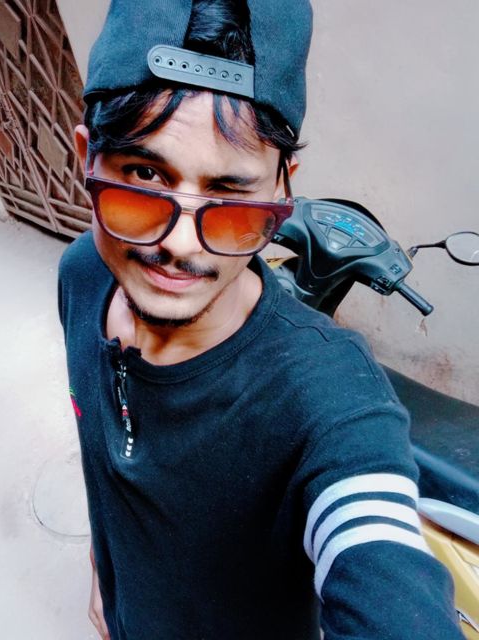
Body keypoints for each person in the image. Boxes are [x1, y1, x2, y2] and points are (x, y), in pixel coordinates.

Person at [57, 1, 464, 638]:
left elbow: (382, 567)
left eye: (229, 192)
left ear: (281, 188)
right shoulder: (83, 273)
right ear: (88, 158)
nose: (180, 244)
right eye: (143, 174)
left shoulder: (329, 398)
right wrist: (102, 570)